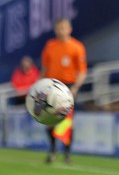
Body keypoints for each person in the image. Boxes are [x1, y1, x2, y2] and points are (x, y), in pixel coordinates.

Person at [41, 18, 87, 164]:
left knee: (66, 122)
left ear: (69, 29)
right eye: (58, 28)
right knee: (49, 121)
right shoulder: (50, 46)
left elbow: (82, 71)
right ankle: (53, 149)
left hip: (68, 87)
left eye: (63, 28)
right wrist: (41, 86)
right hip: (51, 86)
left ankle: (67, 154)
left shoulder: (76, 47)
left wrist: (76, 87)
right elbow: (45, 68)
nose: (60, 31)